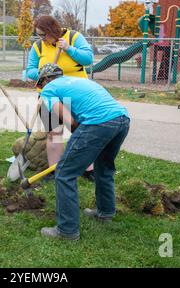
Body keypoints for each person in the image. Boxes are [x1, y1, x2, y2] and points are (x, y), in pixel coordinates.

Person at [36, 63, 130, 241]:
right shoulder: (78, 81)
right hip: (122, 120)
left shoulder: (49, 89)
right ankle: (105, 212)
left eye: (41, 84)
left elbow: (68, 119)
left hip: (98, 122)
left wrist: (80, 139)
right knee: (104, 167)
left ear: (45, 80)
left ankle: (67, 230)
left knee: (64, 173)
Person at [24, 15, 95, 181]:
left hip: (77, 95)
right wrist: (43, 72)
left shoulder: (73, 37)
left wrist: (69, 49)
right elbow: (30, 70)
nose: (41, 38)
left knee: (80, 131)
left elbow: (88, 59)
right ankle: (54, 170)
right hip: (49, 96)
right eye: (38, 35)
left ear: (52, 30)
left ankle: (89, 170)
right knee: (54, 133)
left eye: (43, 34)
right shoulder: (38, 46)